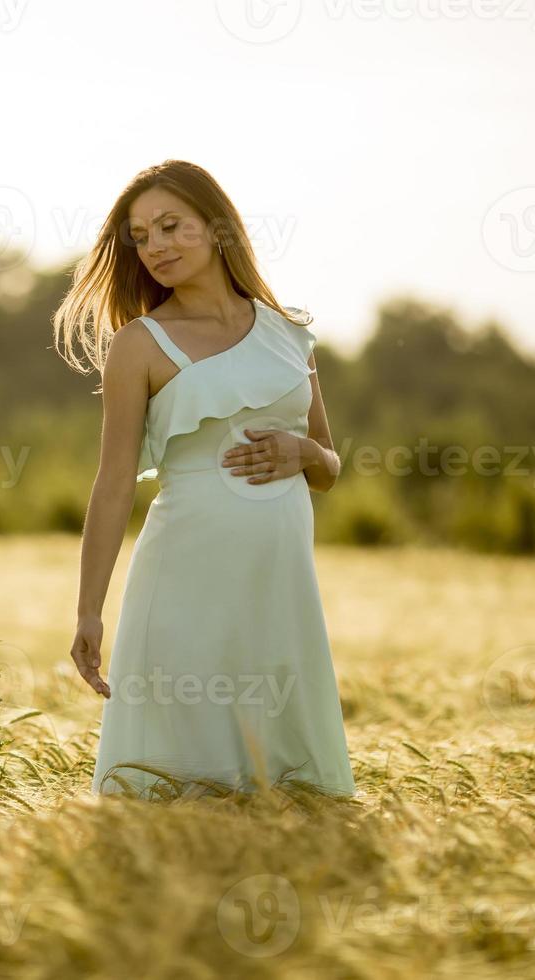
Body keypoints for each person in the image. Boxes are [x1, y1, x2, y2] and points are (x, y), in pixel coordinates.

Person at [50, 159, 356, 799]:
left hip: (279, 584)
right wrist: (88, 610)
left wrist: (301, 450)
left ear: (217, 228)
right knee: (178, 784)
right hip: (184, 575)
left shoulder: (289, 333)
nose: (155, 246)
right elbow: (113, 485)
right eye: (141, 236)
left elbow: (329, 466)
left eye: (170, 225)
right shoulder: (140, 344)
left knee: (289, 793)